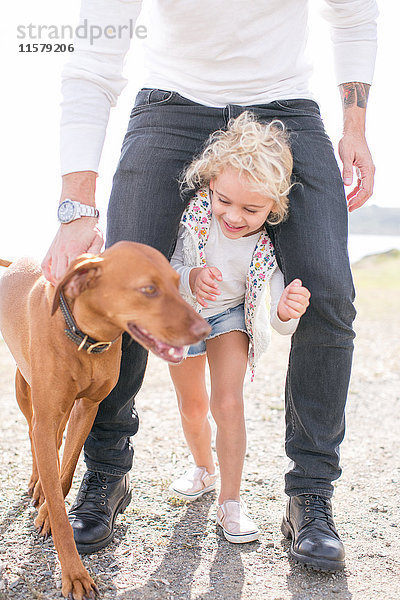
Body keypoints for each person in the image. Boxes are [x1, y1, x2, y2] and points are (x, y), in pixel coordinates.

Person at [42, 0, 378, 571]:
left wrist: (354, 129)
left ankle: (310, 495)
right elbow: (93, 62)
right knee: (118, 287)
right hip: (172, 104)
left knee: (329, 288)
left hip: (286, 107)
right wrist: (76, 207)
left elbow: (353, 15)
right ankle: (105, 472)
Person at [167, 112, 310, 544]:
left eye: (252, 208)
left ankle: (231, 501)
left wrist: (287, 309)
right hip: (186, 317)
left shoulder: (266, 244)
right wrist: (190, 277)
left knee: (227, 404)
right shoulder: (194, 220)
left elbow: (277, 321)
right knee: (192, 406)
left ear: (275, 206)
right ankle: (204, 469)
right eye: (224, 200)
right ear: (210, 185)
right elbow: (167, 269)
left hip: (231, 318)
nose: (233, 215)